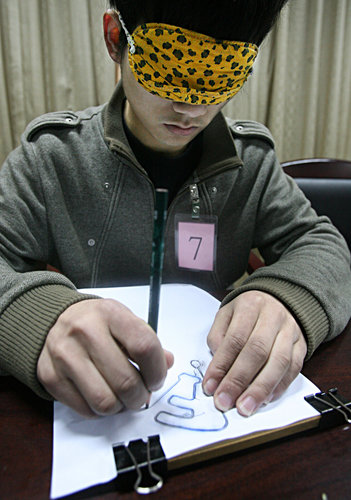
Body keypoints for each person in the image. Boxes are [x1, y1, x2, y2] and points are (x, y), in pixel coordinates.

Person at [0, 0, 350, 420]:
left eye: (221, 78)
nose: (191, 109)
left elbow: (320, 241)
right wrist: (35, 318)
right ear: (116, 39)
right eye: (168, 71)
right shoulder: (52, 159)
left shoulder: (250, 163)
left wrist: (292, 298)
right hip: (90, 408)